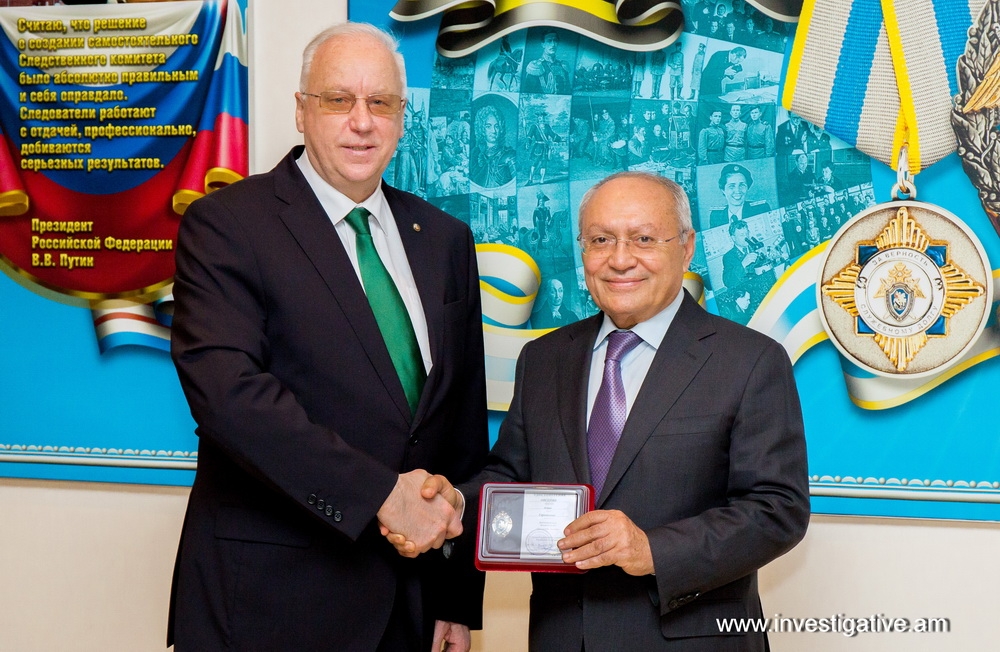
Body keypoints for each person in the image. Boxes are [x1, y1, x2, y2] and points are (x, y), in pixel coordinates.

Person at [167, 22, 489, 652]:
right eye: (339, 99)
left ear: (402, 118)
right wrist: (381, 497)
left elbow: (460, 429)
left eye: (381, 103)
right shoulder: (227, 225)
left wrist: (456, 597)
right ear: (301, 110)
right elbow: (230, 398)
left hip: (411, 604)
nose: (362, 122)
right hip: (271, 603)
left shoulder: (444, 239)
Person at [402, 171, 810, 650]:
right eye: (600, 240)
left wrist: (651, 549)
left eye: (643, 239)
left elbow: (777, 509)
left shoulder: (750, 360)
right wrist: (457, 504)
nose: (619, 259)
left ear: (686, 248)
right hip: (561, 636)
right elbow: (511, 478)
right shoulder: (544, 358)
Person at [709, 163, 770, 228]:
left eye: (742, 185)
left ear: (747, 188)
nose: (737, 191)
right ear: (723, 190)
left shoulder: (760, 209)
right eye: (731, 186)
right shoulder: (716, 215)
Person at [470, 103, 517, 187]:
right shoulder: (475, 153)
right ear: (482, 129)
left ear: (501, 128)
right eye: (488, 126)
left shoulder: (509, 155)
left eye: (497, 126)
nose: (494, 131)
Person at [523, 30, 571, 94]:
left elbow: (568, 91)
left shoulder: (563, 65)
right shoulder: (535, 66)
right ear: (543, 44)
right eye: (549, 41)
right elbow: (528, 93)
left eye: (555, 40)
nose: (553, 44)